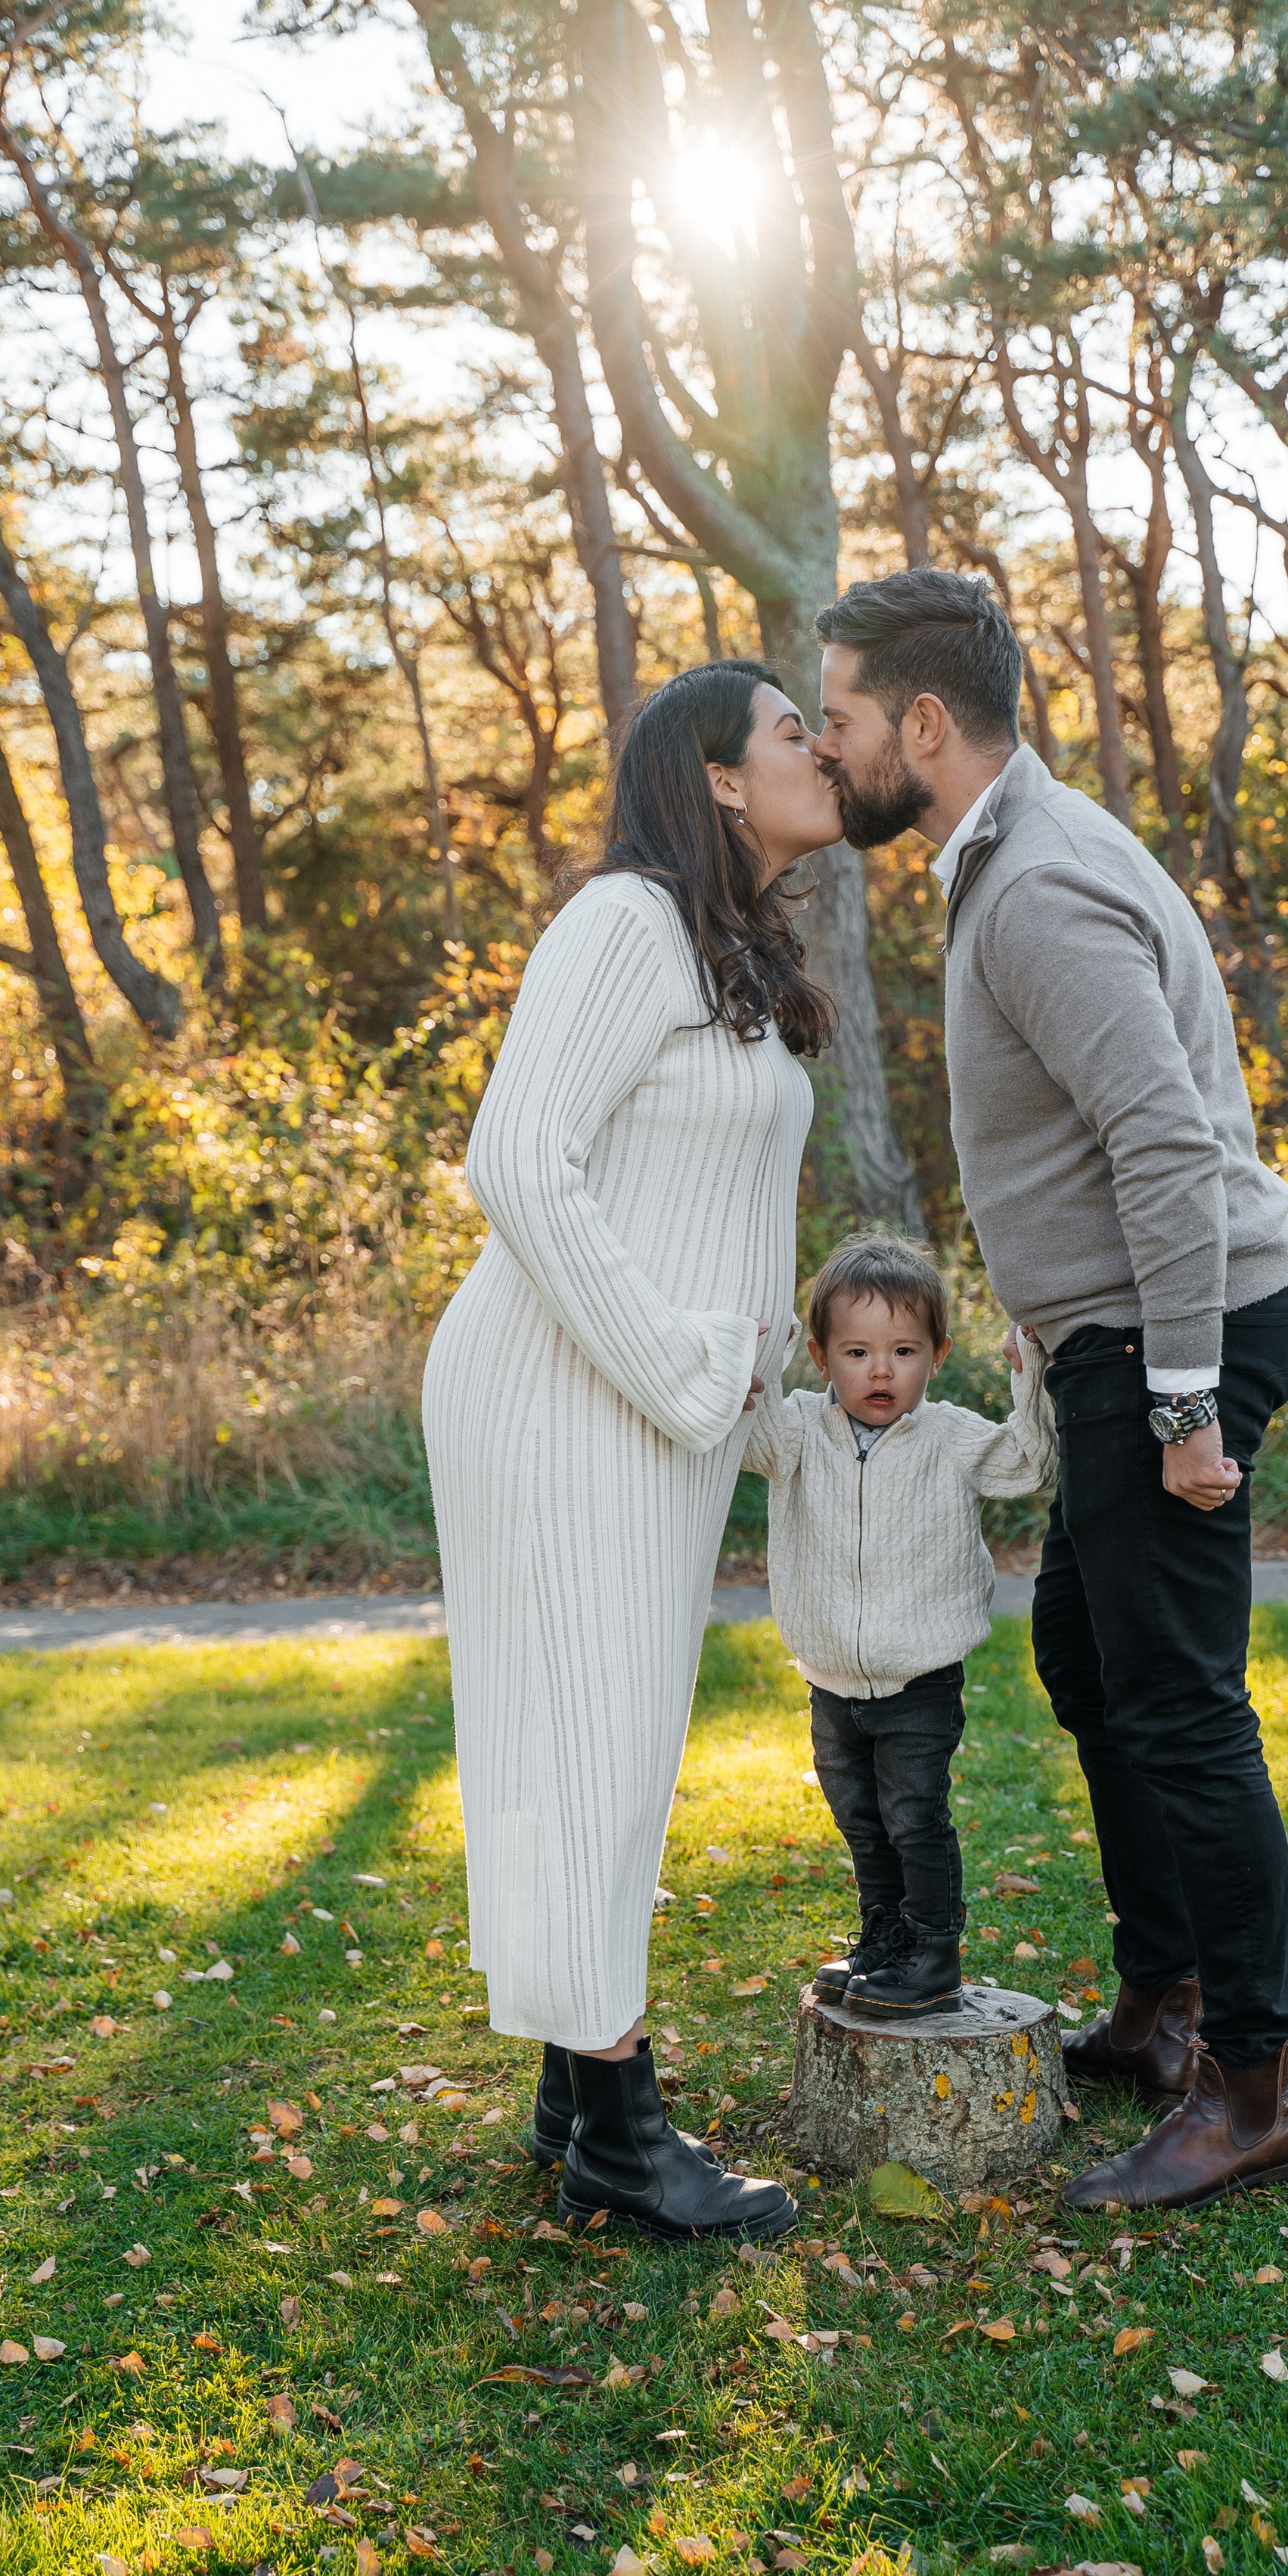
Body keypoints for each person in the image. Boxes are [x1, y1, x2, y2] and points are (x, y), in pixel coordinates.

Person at [812, 570, 1288, 2211]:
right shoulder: (1016, 855)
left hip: (1170, 1340)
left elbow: (1164, 1145)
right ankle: (1161, 2007)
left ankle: (1247, 2088)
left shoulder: (1031, 885)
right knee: (1088, 1658)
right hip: (1109, 1335)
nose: (830, 749)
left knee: (1178, 1701)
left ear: (927, 724)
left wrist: (1181, 1411)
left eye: (843, 720)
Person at [423, 660, 841, 2242]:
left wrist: (728, 1389)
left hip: (650, 1405)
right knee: (588, 1739)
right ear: (720, 777)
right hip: (559, 1390)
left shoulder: (727, 951)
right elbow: (515, 1155)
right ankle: (617, 2131)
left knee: (604, 1736)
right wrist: (680, 1363)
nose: (820, 747)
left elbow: (702, 1198)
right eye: (794, 730)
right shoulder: (623, 923)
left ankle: (564, 2074)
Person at [741, 1233, 1055, 2020]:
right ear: (821, 1356)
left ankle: (932, 1950)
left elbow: (1028, 1464)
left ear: (938, 1354)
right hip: (829, 1675)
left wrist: (1032, 1378)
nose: (880, 1371)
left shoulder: (949, 1437)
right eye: (857, 1351)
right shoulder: (802, 1432)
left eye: (904, 1350)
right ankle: (883, 1936)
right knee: (859, 1817)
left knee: (914, 1814)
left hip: (917, 1677)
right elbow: (747, 1435)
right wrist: (761, 1364)